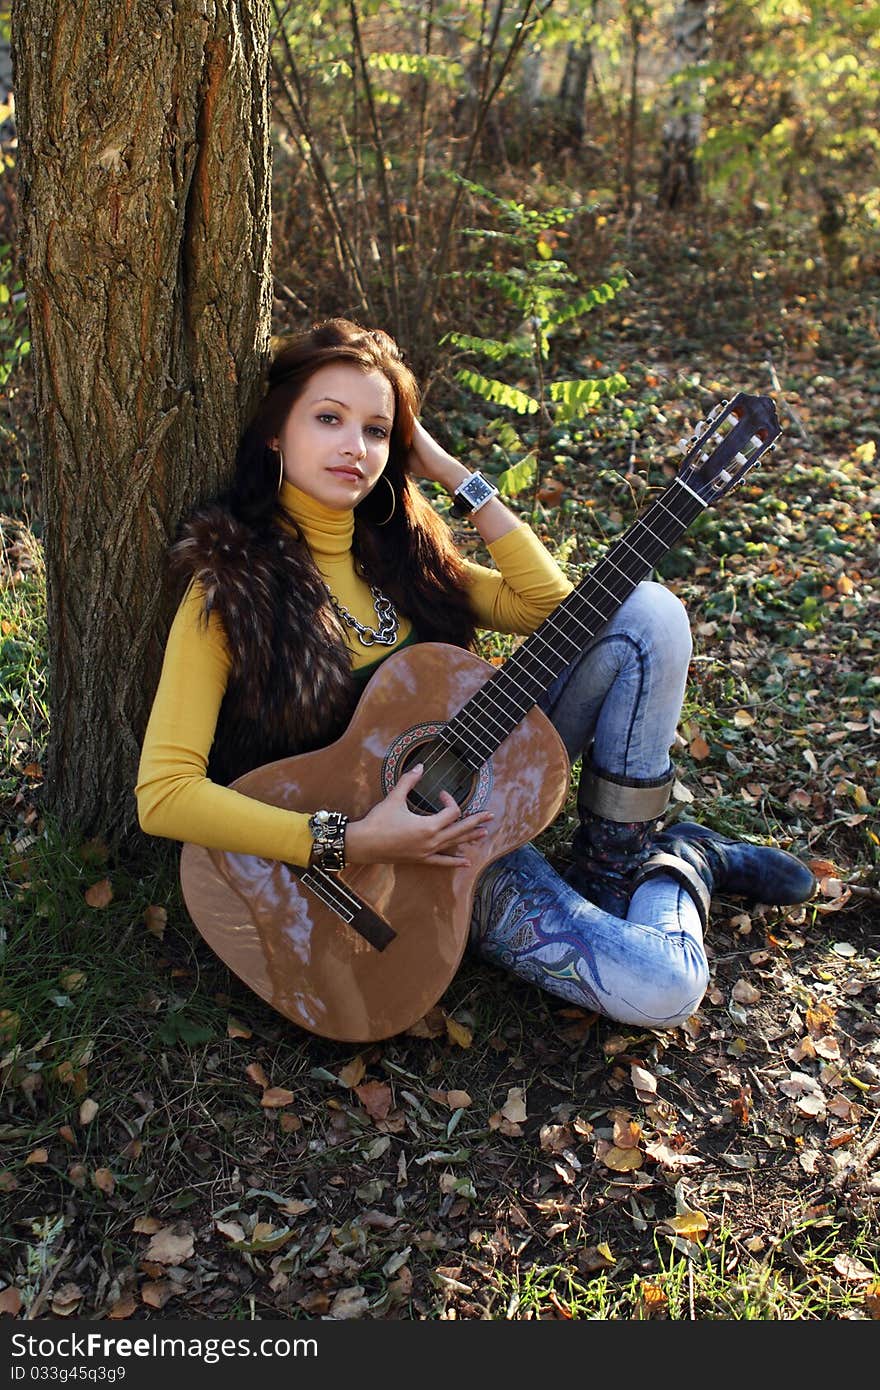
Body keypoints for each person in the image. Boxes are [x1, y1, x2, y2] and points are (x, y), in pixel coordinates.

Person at [136, 318, 815, 1033]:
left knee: (644, 612)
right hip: (412, 867)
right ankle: (683, 864)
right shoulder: (232, 590)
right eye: (328, 419)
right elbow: (164, 796)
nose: (354, 447)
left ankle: (614, 865)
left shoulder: (401, 552)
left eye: (376, 430)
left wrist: (453, 472)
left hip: (485, 795)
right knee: (665, 988)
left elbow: (551, 606)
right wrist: (358, 842)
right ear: (275, 432)